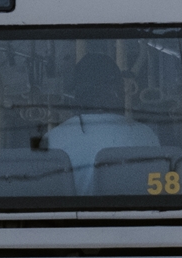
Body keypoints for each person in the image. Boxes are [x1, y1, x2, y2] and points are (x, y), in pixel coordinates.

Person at [46, 53, 158, 194]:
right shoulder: (145, 135)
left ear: (77, 93)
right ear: (115, 90)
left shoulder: (51, 139)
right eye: (121, 85)